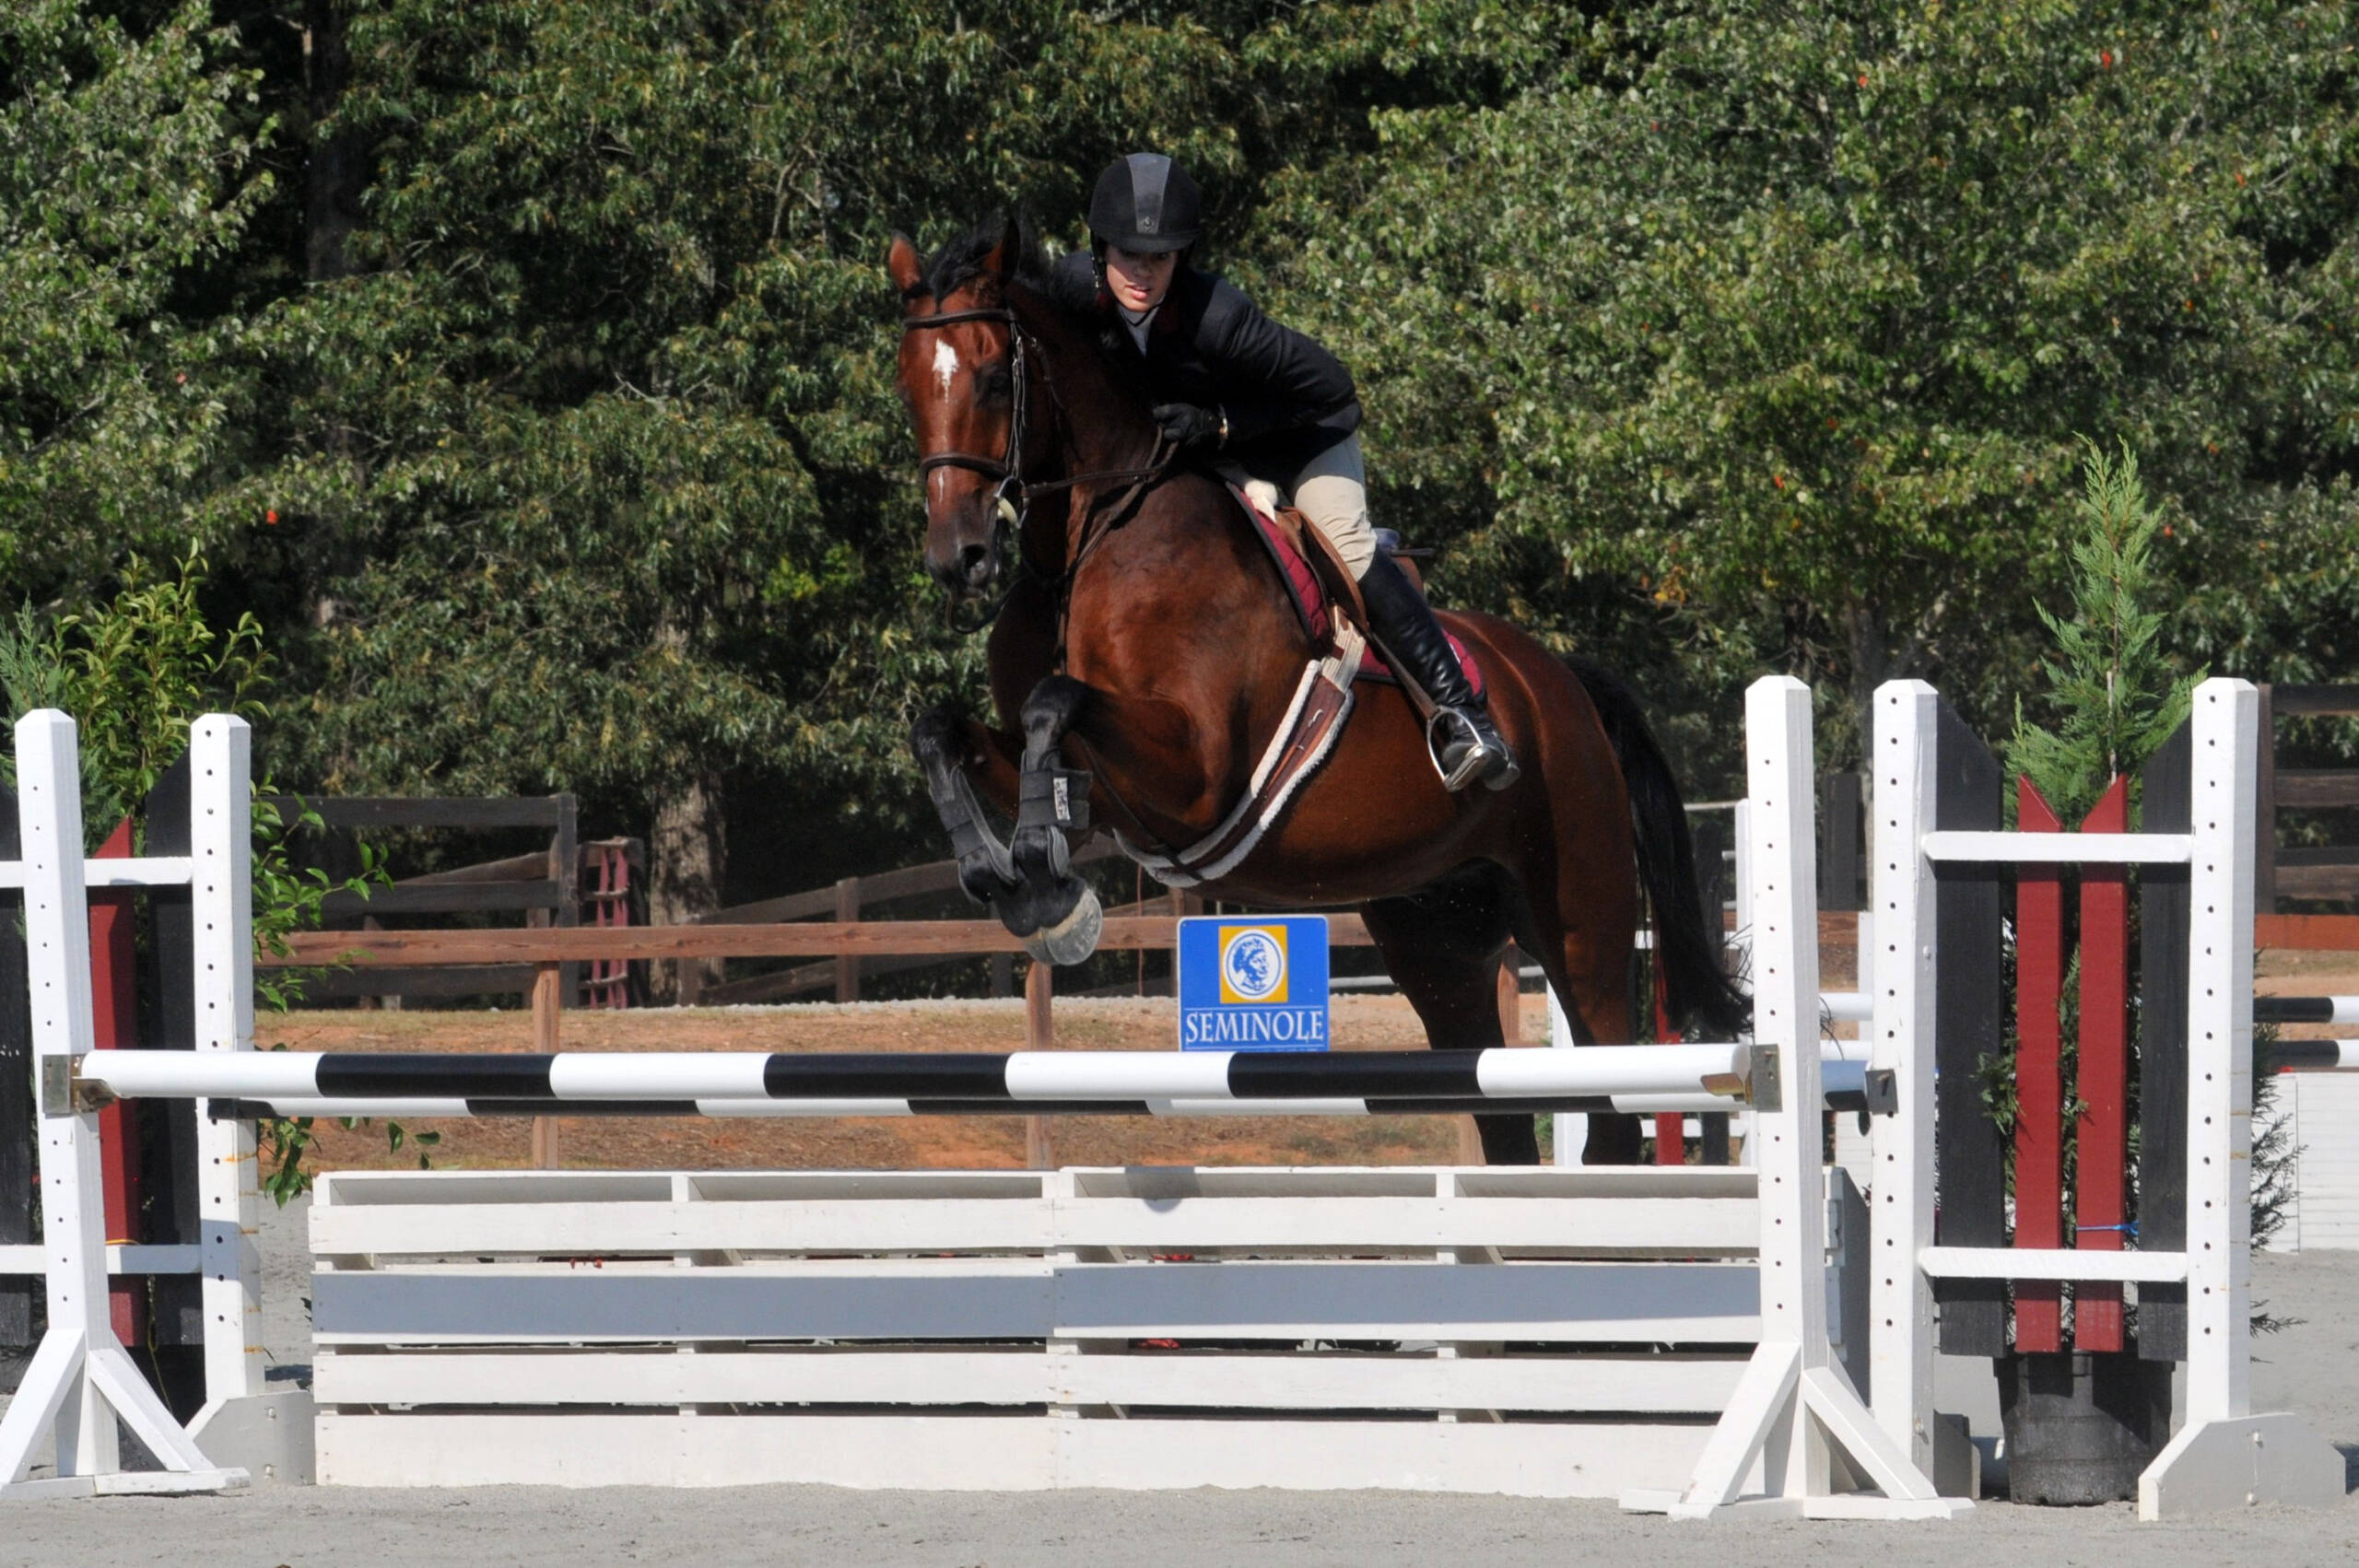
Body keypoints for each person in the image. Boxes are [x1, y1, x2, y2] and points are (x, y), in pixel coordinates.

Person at [1050, 153, 1518, 792]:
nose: (1143, 271)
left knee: (1345, 547)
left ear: (1181, 258)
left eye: (1159, 258)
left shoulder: (1220, 317)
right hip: (1206, 457)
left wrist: (1220, 425)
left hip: (1301, 440)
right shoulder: (1071, 293)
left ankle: (1462, 713)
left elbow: (1334, 392)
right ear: (1099, 246)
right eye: (1129, 253)